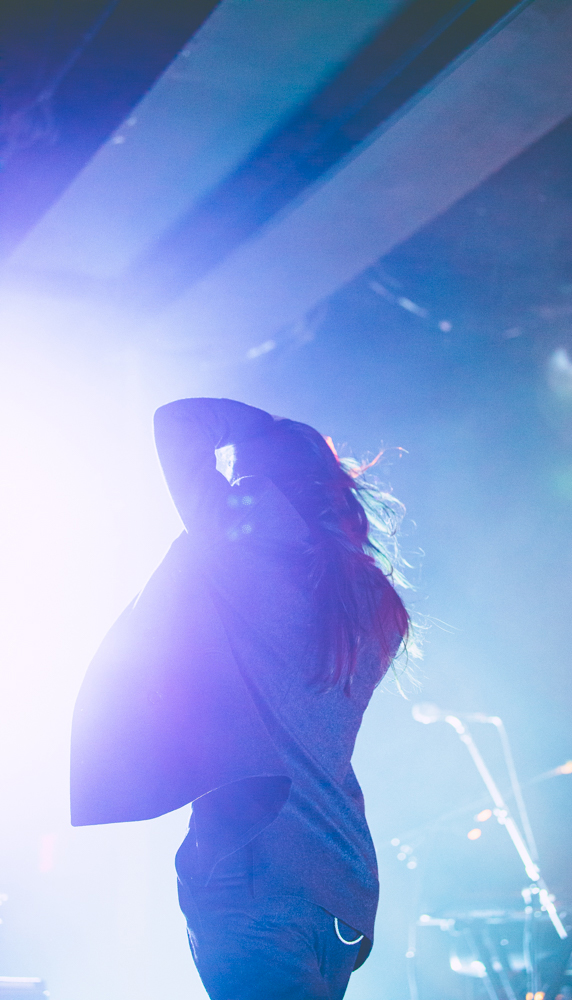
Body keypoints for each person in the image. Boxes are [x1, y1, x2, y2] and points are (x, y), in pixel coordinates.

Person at [70, 397, 411, 1000]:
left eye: (236, 474)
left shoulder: (248, 549)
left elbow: (177, 422)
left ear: (263, 482)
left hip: (257, 876)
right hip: (342, 882)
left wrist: (264, 429)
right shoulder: (373, 601)